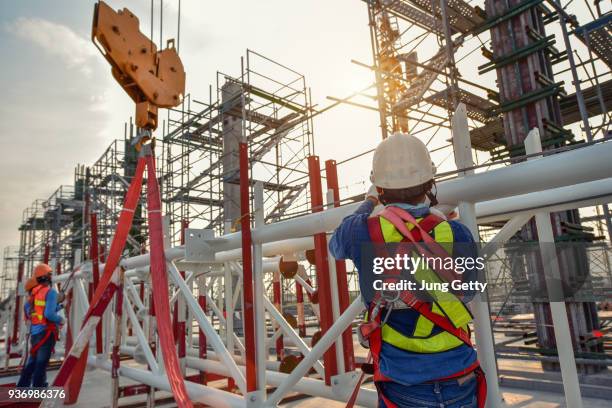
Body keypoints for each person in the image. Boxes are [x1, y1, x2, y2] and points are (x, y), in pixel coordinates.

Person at [329, 133, 485, 408]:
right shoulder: (456, 232)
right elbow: (468, 290)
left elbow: (336, 245)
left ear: (380, 189)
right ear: (429, 183)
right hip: (459, 378)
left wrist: (368, 203)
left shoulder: (361, 230)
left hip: (401, 384)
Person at [17, 263, 64, 388]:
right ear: (47, 277)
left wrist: (60, 306)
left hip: (36, 334)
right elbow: (49, 314)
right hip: (46, 333)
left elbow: (36, 312)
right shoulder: (51, 292)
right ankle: (39, 390)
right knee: (41, 364)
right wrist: (61, 319)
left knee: (33, 362)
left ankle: (22, 387)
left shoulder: (33, 297)